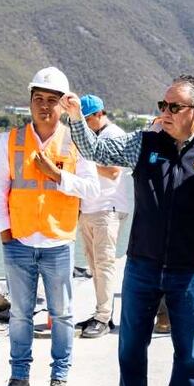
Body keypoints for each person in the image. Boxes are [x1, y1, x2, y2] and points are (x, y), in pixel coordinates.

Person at [61, 75, 194, 386]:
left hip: (190, 267)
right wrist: (77, 117)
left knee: (187, 350)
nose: (166, 113)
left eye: (174, 107)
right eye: (163, 106)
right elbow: (97, 152)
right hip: (142, 263)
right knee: (130, 344)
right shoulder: (143, 143)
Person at [0, 67, 100, 386]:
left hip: (58, 242)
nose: (45, 107)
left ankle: (58, 380)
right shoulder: (11, 140)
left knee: (61, 314)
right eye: (39, 100)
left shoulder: (78, 140)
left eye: (53, 100)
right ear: (30, 102)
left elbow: (92, 190)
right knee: (19, 315)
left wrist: (57, 175)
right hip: (18, 240)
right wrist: (3, 232)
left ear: (65, 105)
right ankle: (19, 381)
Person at [75, 95, 132, 339]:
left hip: (107, 209)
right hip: (87, 208)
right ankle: (101, 313)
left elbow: (113, 171)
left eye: (87, 120)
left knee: (105, 264)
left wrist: (85, 160)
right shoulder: (89, 137)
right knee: (94, 266)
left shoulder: (114, 135)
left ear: (99, 114)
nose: (85, 125)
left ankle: (103, 317)